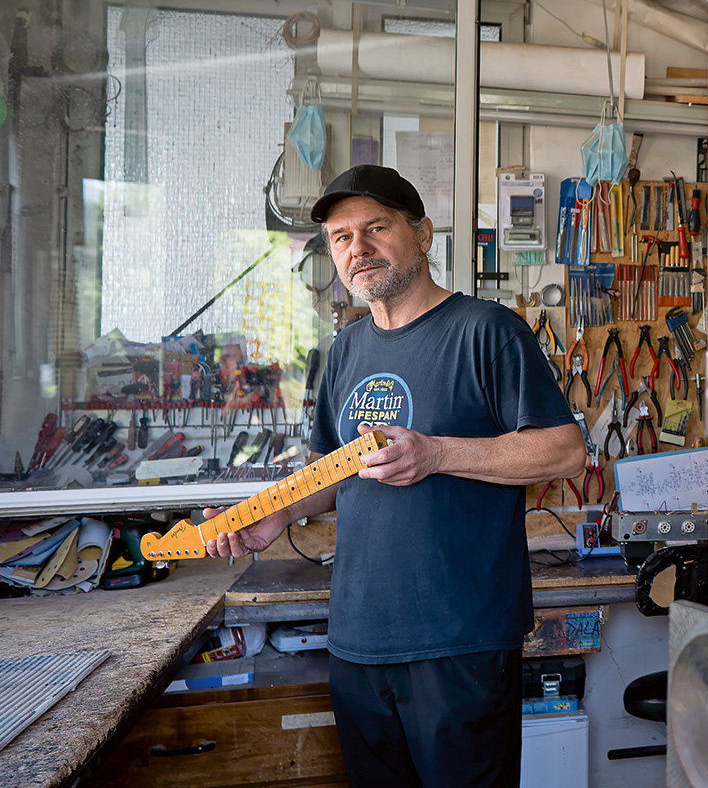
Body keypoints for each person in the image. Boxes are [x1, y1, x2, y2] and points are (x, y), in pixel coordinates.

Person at [203, 164, 585, 788]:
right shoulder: (347, 349)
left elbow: (565, 452)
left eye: (376, 228)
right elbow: (335, 471)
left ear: (423, 235)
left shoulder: (486, 331)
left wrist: (435, 453)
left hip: (459, 640)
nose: (358, 248)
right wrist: (281, 513)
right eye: (341, 237)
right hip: (357, 638)